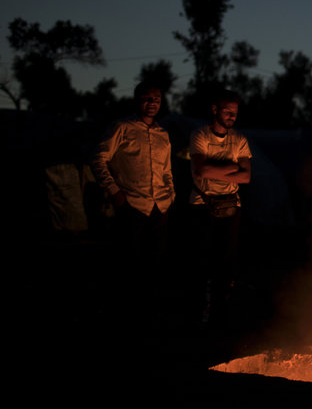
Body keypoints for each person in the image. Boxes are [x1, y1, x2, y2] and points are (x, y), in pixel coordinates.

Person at [91, 81, 175, 293]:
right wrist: (114, 191)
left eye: (156, 99)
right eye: (147, 98)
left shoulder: (162, 134)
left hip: (159, 207)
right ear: (137, 100)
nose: (152, 103)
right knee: (130, 264)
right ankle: (128, 310)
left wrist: (170, 197)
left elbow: (167, 171)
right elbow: (98, 159)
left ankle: (151, 311)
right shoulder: (121, 127)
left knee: (155, 264)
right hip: (132, 205)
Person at [188, 89, 252, 327]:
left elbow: (246, 177)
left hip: (230, 206)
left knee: (227, 261)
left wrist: (216, 168)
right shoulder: (200, 136)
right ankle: (198, 314)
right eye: (227, 111)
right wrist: (232, 168)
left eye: (235, 113)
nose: (232, 116)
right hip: (202, 204)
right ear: (215, 110)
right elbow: (201, 170)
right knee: (201, 260)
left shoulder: (240, 140)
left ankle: (220, 313)